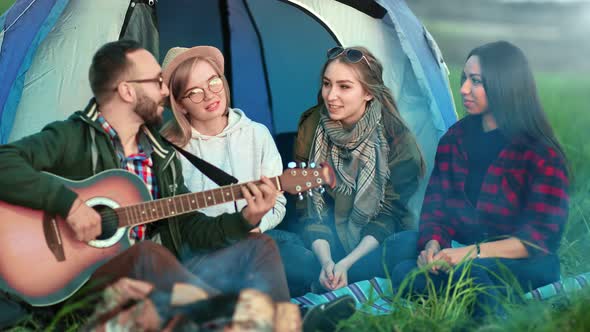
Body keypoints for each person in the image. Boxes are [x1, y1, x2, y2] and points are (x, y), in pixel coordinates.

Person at [0, 40, 291, 329]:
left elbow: (191, 227)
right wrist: (69, 204)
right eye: (156, 82)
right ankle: (228, 312)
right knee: (145, 255)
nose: (166, 92)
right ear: (128, 91)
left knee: (259, 246)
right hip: (84, 280)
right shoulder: (74, 137)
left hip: (159, 276)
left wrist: (246, 219)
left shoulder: (161, 155)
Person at [390, 41, 570, 319]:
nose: (463, 89)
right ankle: (480, 297)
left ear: (505, 86)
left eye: (476, 82)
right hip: (462, 250)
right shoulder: (455, 139)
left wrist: (466, 255)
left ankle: (492, 318)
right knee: (399, 248)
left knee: (467, 271)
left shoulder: (540, 152)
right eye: (464, 79)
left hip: (522, 260)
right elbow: (437, 210)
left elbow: (538, 239)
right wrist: (433, 246)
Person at [288, 46, 425, 293]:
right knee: (279, 246)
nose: (330, 96)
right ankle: (328, 277)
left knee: (407, 245)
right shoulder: (311, 125)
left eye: (344, 86)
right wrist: (328, 262)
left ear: (368, 93)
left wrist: (347, 265)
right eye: (327, 84)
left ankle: (342, 279)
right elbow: (309, 207)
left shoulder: (397, 140)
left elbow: (389, 216)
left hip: (373, 244)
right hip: (326, 242)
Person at [160, 45, 286, 234]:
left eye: (213, 82)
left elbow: (277, 203)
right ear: (180, 105)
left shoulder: (257, 134)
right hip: (203, 248)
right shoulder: (169, 150)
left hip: (257, 236)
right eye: (194, 92)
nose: (210, 95)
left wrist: (258, 226)